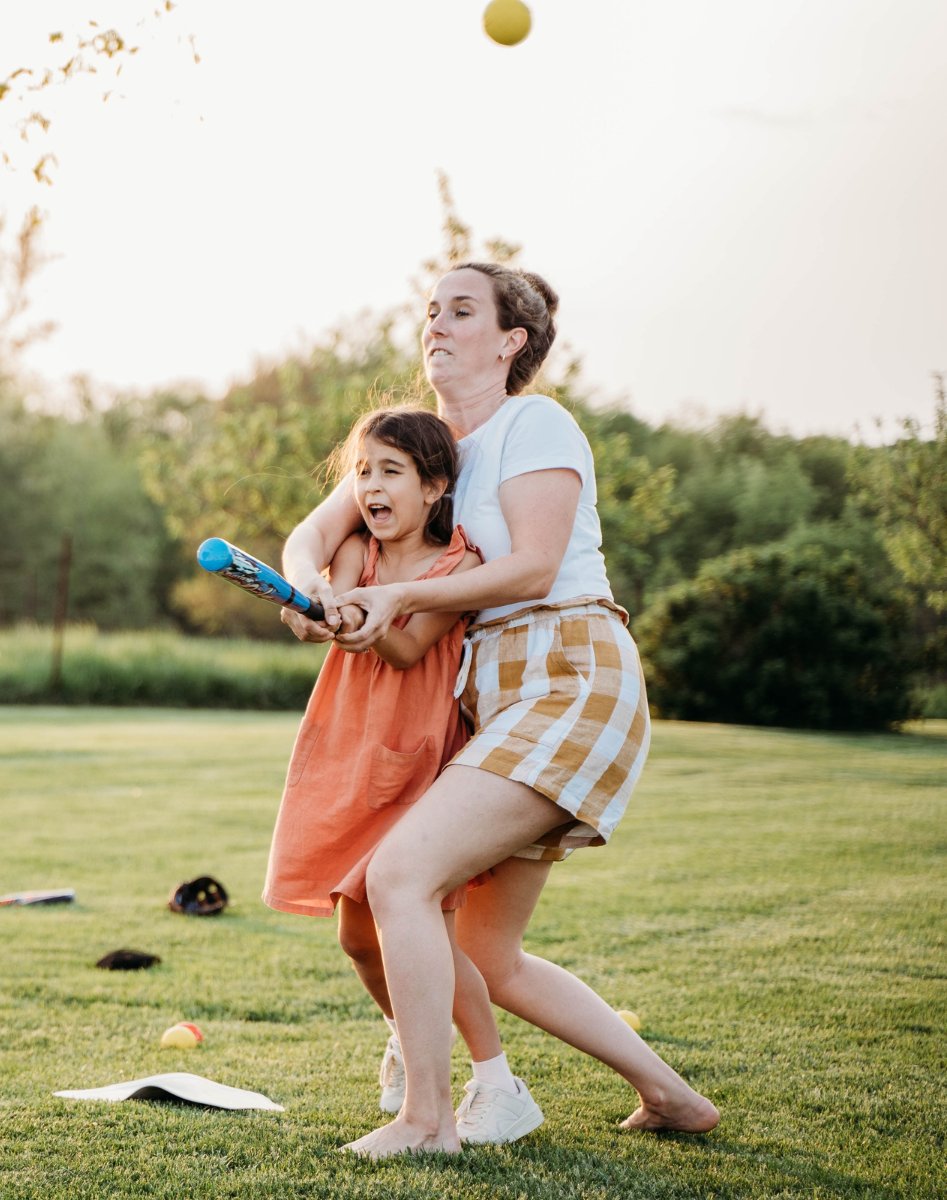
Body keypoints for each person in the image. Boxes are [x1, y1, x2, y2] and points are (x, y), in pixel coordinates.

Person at [279, 262, 720, 1157]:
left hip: (567, 673)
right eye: (430, 311)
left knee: (398, 877)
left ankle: (427, 1121)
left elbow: (534, 566)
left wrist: (400, 599)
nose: (436, 325)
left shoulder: (534, 422)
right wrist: (308, 590)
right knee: (486, 955)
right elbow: (314, 535)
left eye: (461, 311)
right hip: (491, 697)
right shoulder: (423, 445)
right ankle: (672, 1097)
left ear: (511, 340)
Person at [263, 406, 542, 1144]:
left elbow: (409, 646)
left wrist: (367, 624)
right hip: (347, 749)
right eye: (363, 472)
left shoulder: (462, 567)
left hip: (416, 758)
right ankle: (408, 1036)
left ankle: (496, 1078)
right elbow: (330, 591)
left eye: (391, 471)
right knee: (358, 937)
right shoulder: (358, 550)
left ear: (434, 486)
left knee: (429, 929)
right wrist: (319, 609)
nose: (371, 487)